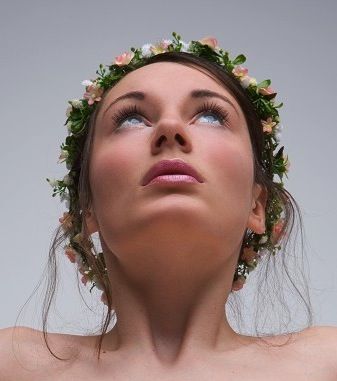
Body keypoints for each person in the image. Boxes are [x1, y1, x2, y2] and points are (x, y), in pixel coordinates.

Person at [1, 33, 337, 380]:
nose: (170, 128)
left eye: (209, 116)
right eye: (131, 118)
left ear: (257, 206)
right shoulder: (11, 366)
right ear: (87, 207)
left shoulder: (327, 365)